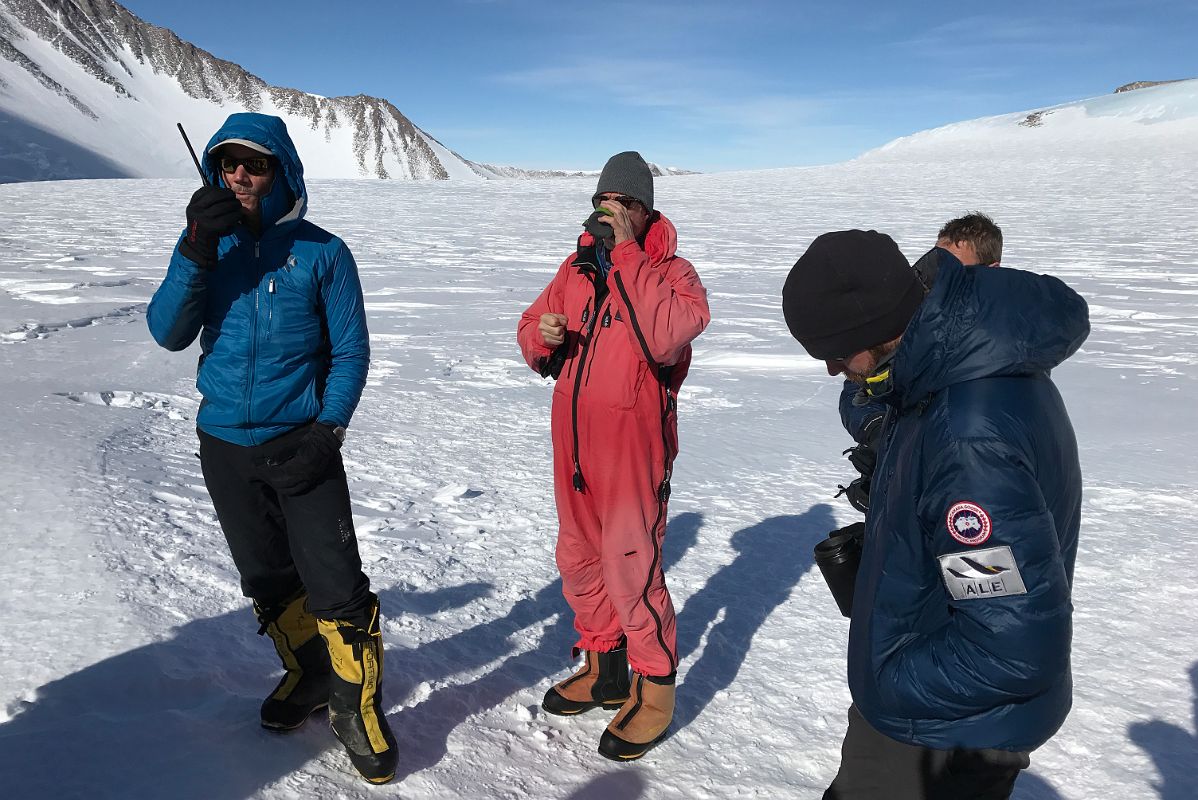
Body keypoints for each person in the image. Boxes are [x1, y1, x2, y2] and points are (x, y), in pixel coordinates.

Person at [781, 229, 1088, 799]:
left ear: (876, 330)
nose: (831, 369)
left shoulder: (966, 440)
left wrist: (889, 679)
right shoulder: (947, 369)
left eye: (835, 353)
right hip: (942, 699)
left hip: (947, 728)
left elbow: (1010, 646)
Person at [147, 113, 396, 784]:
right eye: (227, 163)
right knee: (266, 578)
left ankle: (355, 705)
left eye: (253, 164)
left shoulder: (323, 252)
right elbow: (168, 332)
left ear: (281, 172)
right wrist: (195, 248)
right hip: (225, 445)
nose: (238, 176)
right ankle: (311, 674)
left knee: (336, 585)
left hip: (303, 443)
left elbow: (350, 353)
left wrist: (328, 431)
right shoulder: (207, 246)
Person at [517, 152, 709, 761]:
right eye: (607, 200)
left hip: (632, 448)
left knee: (632, 564)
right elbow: (529, 324)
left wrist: (628, 254)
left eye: (627, 203)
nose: (613, 210)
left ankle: (655, 689)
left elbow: (666, 334)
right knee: (579, 559)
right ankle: (604, 670)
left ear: (646, 210)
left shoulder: (674, 275)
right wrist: (541, 335)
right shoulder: (575, 268)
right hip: (575, 445)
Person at [836, 213, 1004, 514]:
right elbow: (858, 387)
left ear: (992, 271)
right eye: (937, 264)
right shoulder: (916, 320)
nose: (941, 278)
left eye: (954, 269)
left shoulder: (1003, 342)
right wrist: (878, 433)